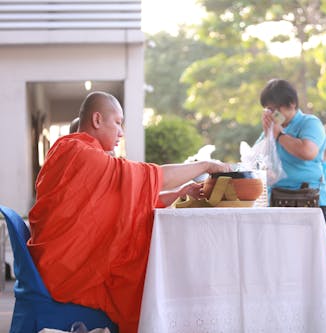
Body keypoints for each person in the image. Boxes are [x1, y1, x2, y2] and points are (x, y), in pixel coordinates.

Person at [28, 91, 231, 333]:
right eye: (117, 122)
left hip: (59, 261)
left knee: (144, 262)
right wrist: (207, 165)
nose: (121, 132)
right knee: (146, 273)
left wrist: (180, 193)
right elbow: (154, 177)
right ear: (96, 120)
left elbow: (126, 202)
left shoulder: (70, 150)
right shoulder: (81, 154)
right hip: (64, 271)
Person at [259, 79, 326, 216]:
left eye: (274, 109)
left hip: (308, 199)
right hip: (276, 199)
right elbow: (257, 159)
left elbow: (308, 152)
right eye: (268, 109)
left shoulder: (309, 123)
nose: (271, 114)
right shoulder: (271, 130)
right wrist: (268, 134)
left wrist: (279, 135)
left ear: (291, 104)